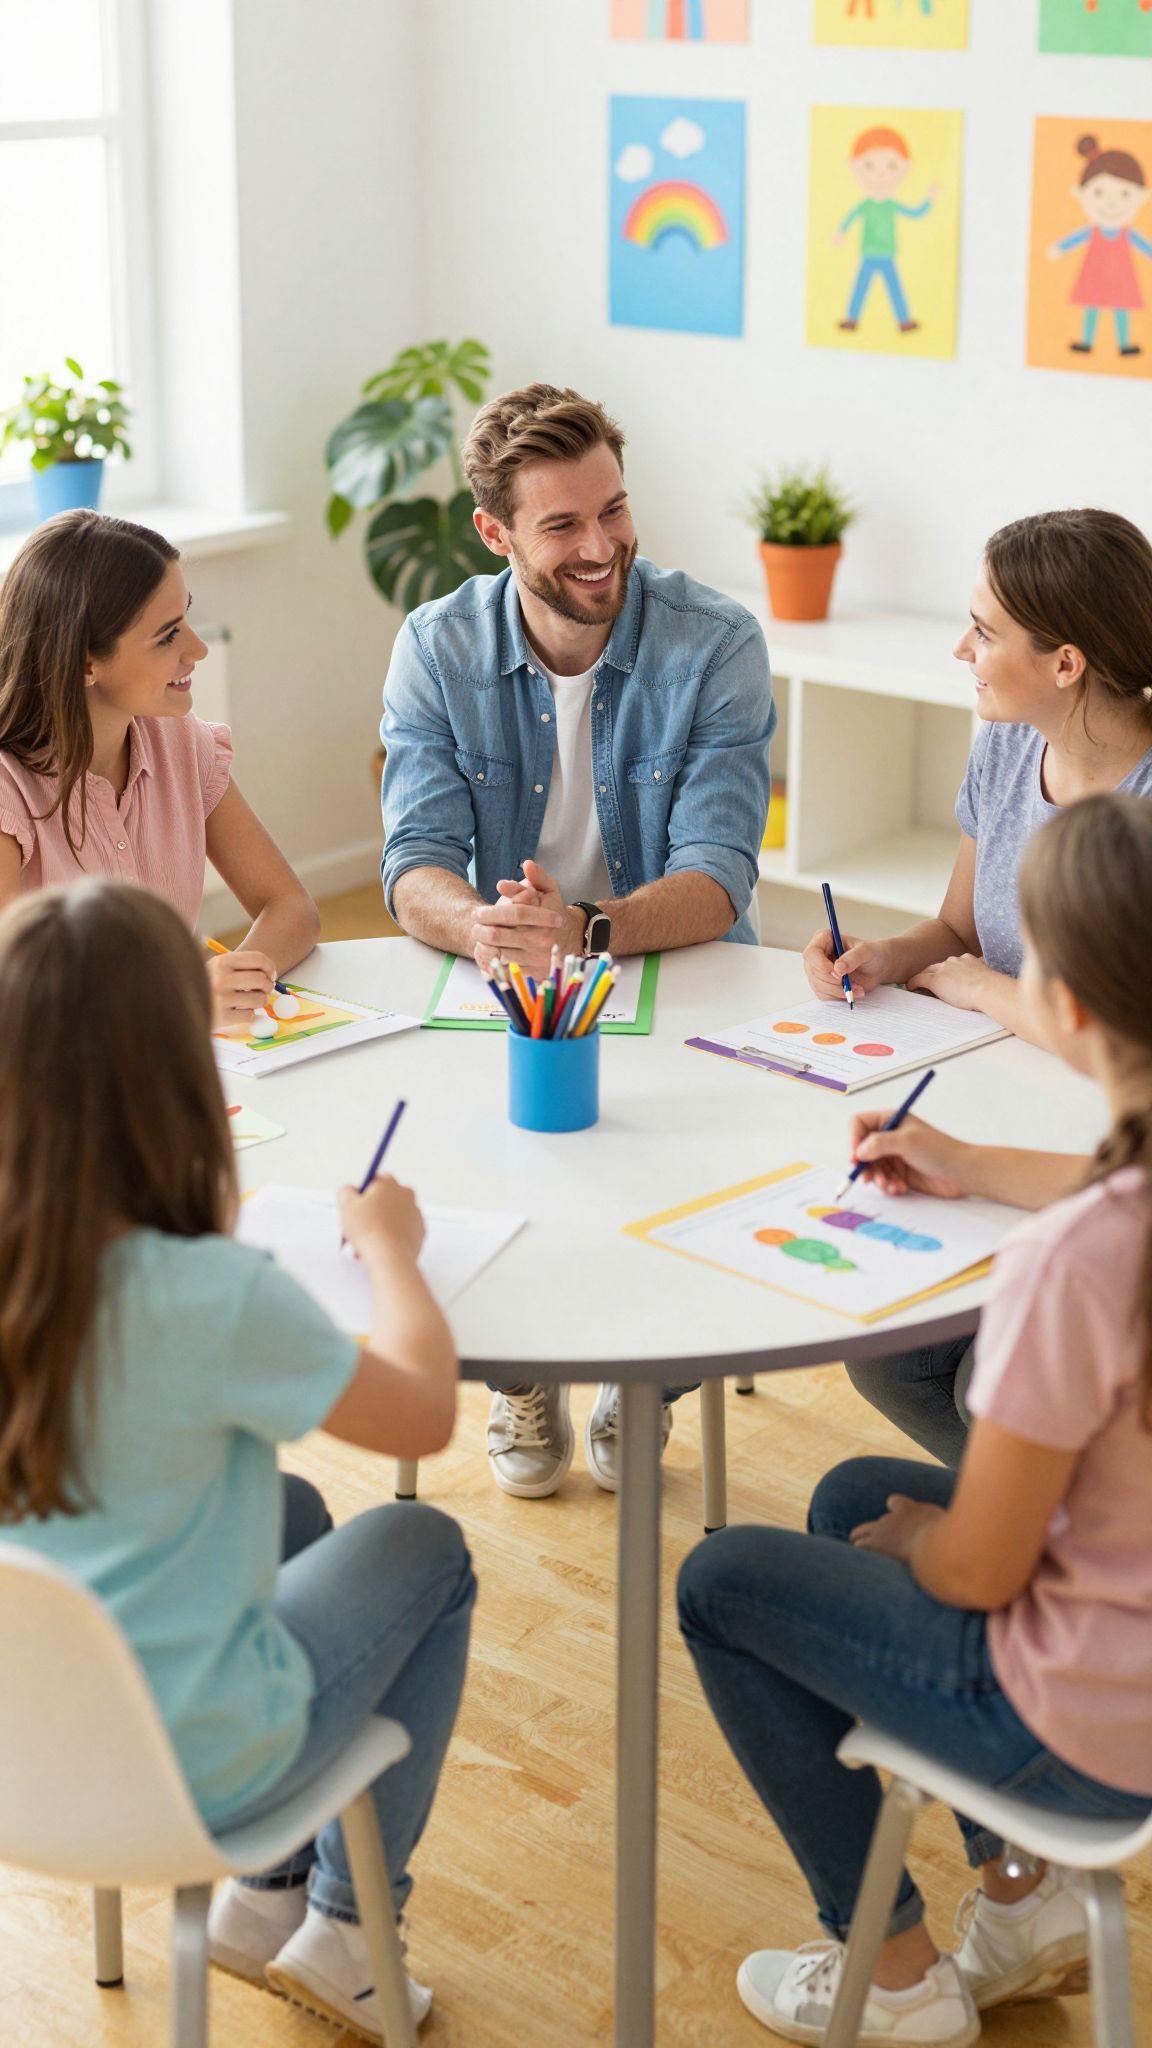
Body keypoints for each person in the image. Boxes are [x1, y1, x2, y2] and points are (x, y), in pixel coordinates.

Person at [678, 792, 1152, 2044]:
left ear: (1069, 1007)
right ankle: (1020, 1899)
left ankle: (893, 1977)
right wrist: (974, 1162)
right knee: (844, 1495)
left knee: (723, 1577)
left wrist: (916, 1554)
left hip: (1085, 1722)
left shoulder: (1078, 1260)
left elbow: (984, 1563)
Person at [0, 879, 474, 2037]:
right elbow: (422, 1414)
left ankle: (264, 1904)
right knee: (427, 1540)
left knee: (294, 1508)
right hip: (197, 1770)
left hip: (24, 1750)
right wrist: (392, 1250)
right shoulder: (205, 1295)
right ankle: (352, 1931)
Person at [381, 382, 775, 1498]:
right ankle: (525, 1369)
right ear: (496, 533)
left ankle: (648, 1372)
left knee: (684, 1166)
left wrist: (588, 928)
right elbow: (412, 862)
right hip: (511, 974)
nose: (602, 546)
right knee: (486, 1151)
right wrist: (487, 928)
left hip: (683, 970)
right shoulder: (437, 646)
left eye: (614, 508)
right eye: (563, 525)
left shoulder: (715, 643)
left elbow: (719, 874)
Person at [805, 507, 1152, 1455]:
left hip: (1105, 1131)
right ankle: (1039, 1542)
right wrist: (895, 957)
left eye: (986, 631)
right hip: (1000, 1093)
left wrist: (985, 992)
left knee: (978, 1384)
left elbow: (1130, 1034)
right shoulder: (1005, 741)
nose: (962, 648)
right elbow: (960, 928)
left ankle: (1051, 1549)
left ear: (1067, 663)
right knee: (886, 1357)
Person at [0, 510, 320, 1032]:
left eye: (186, 617)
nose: (197, 649)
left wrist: (237, 978)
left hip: (167, 1062)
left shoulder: (176, 741)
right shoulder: (8, 790)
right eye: (167, 635)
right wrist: (187, 998)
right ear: (85, 661)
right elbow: (18, 1007)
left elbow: (289, 906)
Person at [1047, 134, 1152, 360]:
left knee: (1121, 310)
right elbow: (1076, 238)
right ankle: (1086, 341)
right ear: (1081, 194)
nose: (1111, 203)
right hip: (1095, 276)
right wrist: (1060, 248)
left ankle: (1124, 344)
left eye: (1125, 194)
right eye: (1099, 193)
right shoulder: (1093, 232)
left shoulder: (1126, 234)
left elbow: (1143, 245)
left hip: (1121, 278)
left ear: (1142, 197)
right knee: (1091, 307)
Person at [835, 127, 938, 336]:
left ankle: (904, 321)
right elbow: (850, 218)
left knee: (895, 289)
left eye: (892, 166)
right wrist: (840, 232)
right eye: (869, 166)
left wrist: (930, 199)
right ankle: (852, 319)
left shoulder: (891, 205)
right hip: (868, 254)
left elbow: (915, 213)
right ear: (854, 167)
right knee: (860, 288)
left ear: (906, 168)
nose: (880, 174)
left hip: (887, 254)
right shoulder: (865, 205)